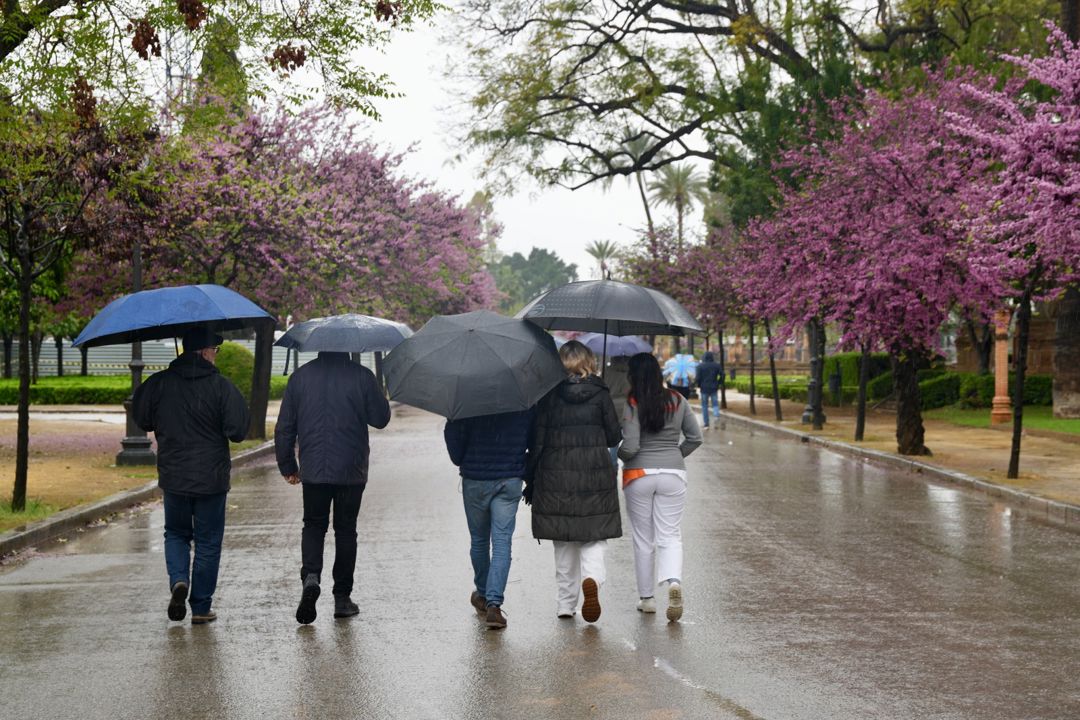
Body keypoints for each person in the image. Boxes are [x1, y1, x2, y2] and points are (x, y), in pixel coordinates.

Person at [133, 326, 250, 625]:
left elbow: (142, 418)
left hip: (174, 476)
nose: (216, 355)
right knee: (208, 541)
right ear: (205, 352)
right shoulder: (221, 387)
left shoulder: (159, 383)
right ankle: (200, 607)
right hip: (211, 478)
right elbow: (238, 431)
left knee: (176, 533)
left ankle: (178, 580)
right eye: (215, 350)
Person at [275, 351, 391, 625]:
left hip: (314, 469)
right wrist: (379, 389)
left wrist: (288, 465)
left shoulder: (300, 378)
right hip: (351, 469)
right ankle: (342, 598)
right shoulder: (362, 376)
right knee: (346, 530)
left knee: (313, 525)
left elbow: (285, 427)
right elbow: (380, 419)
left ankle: (311, 576)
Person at [525, 341, 622, 622]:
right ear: (588, 361)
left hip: (556, 475)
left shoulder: (548, 394)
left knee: (564, 541)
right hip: (594, 475)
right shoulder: (600, 392)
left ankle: (565, 605)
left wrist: (531, 476)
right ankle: (592, 579)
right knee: (593, 537)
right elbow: (613, 436)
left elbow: (537, 439)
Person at [619, 352, 702, 622]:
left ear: (633, 375)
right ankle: (674, 582)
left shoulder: (632, 402)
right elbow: (695, 438)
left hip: (639, 474)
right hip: (673, 473)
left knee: (644, 539)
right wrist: (674, 455)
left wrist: (619, 455)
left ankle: (647, 599)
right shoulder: (678, 399)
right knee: (670, 535)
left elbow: (631, 446)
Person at [444, 409, 534, 630]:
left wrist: (452, 422)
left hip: (475, 480)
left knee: (479, 541)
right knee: (502, 542)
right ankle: (494, 605)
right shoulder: (522, 402)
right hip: (509, 478)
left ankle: (483, 595)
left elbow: (456, 455)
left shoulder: (465, 403)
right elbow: (532, 440)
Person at [604, 355, 632, 465]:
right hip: (625, 405)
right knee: (627, 436)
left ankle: (613, 464)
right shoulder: (628, 373)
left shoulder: (607, 371)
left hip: (609, 404)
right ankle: (627, 462)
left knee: (613, 439)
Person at [695, 351, 723, 429]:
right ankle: (716, 415)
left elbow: (697, 378)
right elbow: (722, 374)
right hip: (714, 387)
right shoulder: (716, 365)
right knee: (715, 403)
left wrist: (698, 385)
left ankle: (706, 424)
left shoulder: (700, 366)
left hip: (704, 388)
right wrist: (719, 382)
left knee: (704, 405)